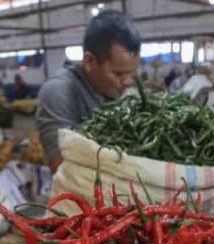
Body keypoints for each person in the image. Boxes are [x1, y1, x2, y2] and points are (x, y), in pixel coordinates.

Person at [35, 10, 141, 174]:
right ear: (89, 61)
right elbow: (62, 169)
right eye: (118, 74)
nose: (128, 82)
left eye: (132, 72)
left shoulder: (119, 92)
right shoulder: (58, 91)